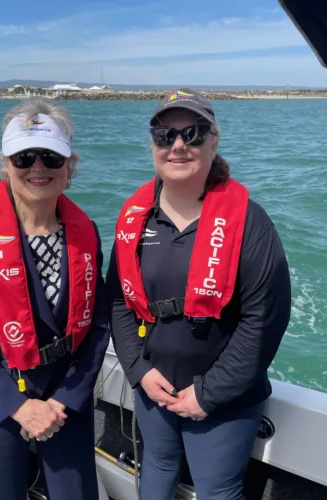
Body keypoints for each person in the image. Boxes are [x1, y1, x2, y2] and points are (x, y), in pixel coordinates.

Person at [106, 88, 291, 500]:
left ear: (214, 139)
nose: (177, 146)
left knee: (217, 489)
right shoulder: (134, 217)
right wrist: (138, 370)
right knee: (155, 465)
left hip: (224, 397)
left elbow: (265, 319)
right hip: (153, 385)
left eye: (193, 133)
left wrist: (209, 393)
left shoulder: (251, 223)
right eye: (164, 135)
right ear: (152, 143)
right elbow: (118, 300)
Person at [0, 97, 109, 500]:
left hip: (64, 402)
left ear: (70, 165)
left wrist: (63, 401)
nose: (38, 167)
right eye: (24, 157)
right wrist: (17, 407)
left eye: (51, 157)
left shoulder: (86, 231)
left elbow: (97, 326)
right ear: (5, 164)